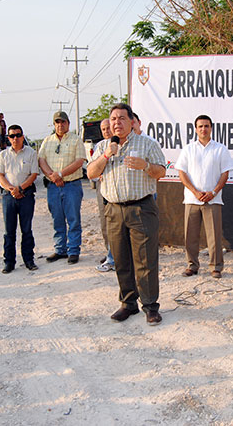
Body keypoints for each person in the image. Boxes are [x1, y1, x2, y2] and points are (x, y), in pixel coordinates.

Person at [88, 103, 166, 325]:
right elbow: (91, 173)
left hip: (141, 207)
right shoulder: (104, 145)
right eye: (113, 119)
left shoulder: (147, 144)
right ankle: (128, 303)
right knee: (121, 260)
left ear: (132, 121)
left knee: (145, 260)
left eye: (122, 118)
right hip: (113, 209)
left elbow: (161, 172)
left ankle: (150, 306)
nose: (117, 122)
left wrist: (145, 166)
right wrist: (105, 156)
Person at [175, 114, 232, 279]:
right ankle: (192, 265)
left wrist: (213, 192)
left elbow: (225, 174)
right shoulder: (188, 149)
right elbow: (182, 173)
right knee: (190, 236)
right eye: (200, 126)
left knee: (214, 236)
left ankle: (216, 267)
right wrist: (195, 191)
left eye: (206, 126)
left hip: (213, 199)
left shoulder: (220, 149)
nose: (203, 129)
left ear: (211, 128)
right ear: (195, 129)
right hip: (192, 199)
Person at [38, 110, 86, 264]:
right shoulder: (47, 141)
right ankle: (60, 249)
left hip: (71, 185)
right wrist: (52, 175)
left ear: (68, 124)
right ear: (54, 124)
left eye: (63, 122)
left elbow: (79, 161)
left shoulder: (76, 140)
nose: (60, 125)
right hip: (53, 186)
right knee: (57, 218)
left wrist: (60, 174)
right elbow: (41, 160)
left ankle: (73, 250)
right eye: (57, 122)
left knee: (73, 219)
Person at [0, 125, 39, 273]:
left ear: (22, 136)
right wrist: (11, 189)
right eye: (12, 136)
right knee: (9, 231)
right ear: (8, 138)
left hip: (26, 196)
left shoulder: (31, 153)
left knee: (26, 230)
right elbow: (0, 175)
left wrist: (20, 189)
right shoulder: (3, 155)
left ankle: (29, 260)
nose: (15, 139)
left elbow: (33, 175)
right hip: (8, 197)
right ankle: (9, 262)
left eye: (18, 135)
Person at [95, 118, 115, 272]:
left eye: (108, 127)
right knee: (105, 222)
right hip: (103, 188)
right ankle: (110, 252)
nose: (106, 131)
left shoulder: (122, 144)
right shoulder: (100, 146)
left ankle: (116, 255)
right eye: (103, 129)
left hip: (118, 190)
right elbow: (93, 169)